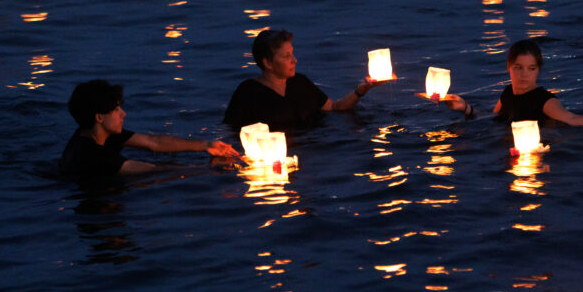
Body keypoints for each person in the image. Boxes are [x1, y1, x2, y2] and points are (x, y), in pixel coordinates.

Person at [61, 79, 240, 180]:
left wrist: (206, 145)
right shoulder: (95, 156)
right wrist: (208, 169)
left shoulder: (96, 133)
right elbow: (153, 170)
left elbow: (153, 142)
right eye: (116, 110)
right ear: (99, 117)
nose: (123, 114)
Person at [441, 39, 583, 137]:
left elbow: (571, 118)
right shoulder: (507, 92)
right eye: (518, 68)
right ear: (509, 67)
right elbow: (492, 118)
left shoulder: (544, 100)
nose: (525, 75)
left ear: (538, 70)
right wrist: (464, 107)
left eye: (531, 68)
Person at [223, 29, 383, 130]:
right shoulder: (248, 93)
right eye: (287, 56)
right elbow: (229, 131)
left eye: (292, 53)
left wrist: (361, 90)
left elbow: (335, 107)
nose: (294, 60)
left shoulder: (300, 83)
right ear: (268, 63)